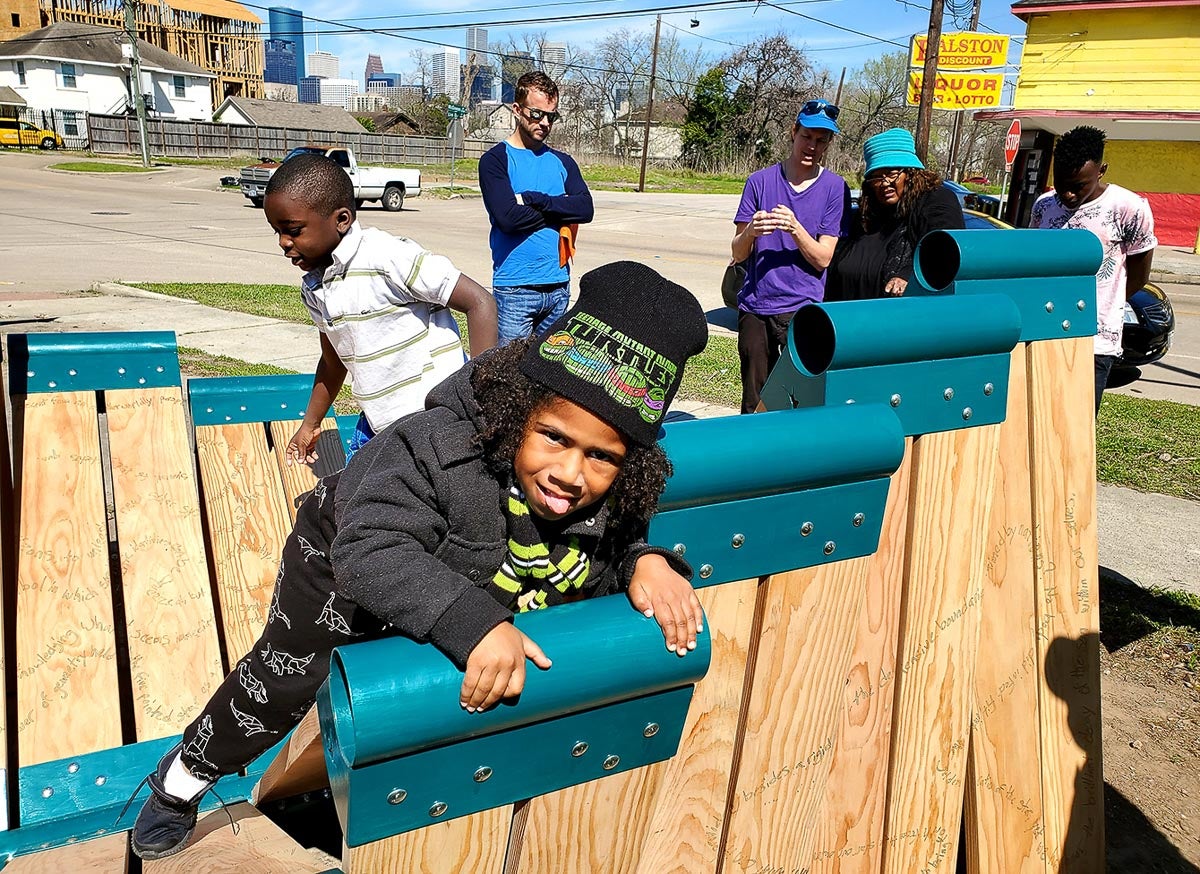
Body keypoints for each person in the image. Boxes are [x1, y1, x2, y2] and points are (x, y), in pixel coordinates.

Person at [129, 261, 709, 861]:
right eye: (554, 438)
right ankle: (182, 780)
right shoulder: (439, 446)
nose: (570, 473)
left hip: (461, 571)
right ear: (519, 411)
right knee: (289, 677)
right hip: (346, 559)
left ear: (629, 463)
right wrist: (474, 621)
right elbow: (369, 549)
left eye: (602, 457)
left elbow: (609, 549)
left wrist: (645, 560)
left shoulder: (601, 489)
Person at [266, 153, 498, 464]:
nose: (282, 242)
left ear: (342, 220)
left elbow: (479, 302)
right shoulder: (314, 287)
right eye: (276, 231)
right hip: (379, 426)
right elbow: (333, 362)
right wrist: (310, 425)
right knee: (352, 504)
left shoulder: (388, 258)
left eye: (293, 230)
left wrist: (479, 399)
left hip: (435, 423)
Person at [730, 98, 851, 414]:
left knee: (797, 399)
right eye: (807, 136)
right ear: (793, 132)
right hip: (756, 306)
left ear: (828, 144)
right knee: (754, 401)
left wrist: (796, 228)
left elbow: (824, 258)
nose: (812, 145)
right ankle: (754, 458)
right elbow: (737, 251)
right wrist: (751, 231)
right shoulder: (759, 182)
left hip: (802, 309)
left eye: (821, 140)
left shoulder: (835, 188)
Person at [1029, 125, 1157, 414]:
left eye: (1079, 186)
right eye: (1062, 184)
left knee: (1078, 425)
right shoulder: (1043, 207)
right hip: (1045, 330)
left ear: (1101, 171)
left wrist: (1104, 306)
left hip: (1095, 340)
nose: (1069, 195)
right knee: (1039, 416)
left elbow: (1139, 274)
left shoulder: (1129, 208)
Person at [479, 70, 594, 345]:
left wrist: (538, 200)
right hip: (515, 290)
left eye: (551, 116)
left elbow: (586, 209)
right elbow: (508, 219)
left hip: (558, 287)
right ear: (517, 110)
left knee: (548, 378)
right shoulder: (495, 160)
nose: (544, 122)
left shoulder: (563, 162)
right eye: (536, 114)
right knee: (509, 377)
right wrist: (562, 208)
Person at [826, 127, 964, 301]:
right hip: (850, 315)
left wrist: (909, 276)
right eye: (876, 177)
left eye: (892, 174)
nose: (884, 183)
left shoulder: (936, 200)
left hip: (902, 318)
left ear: (911, 173)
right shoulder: (867, 215)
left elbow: (944, 252)